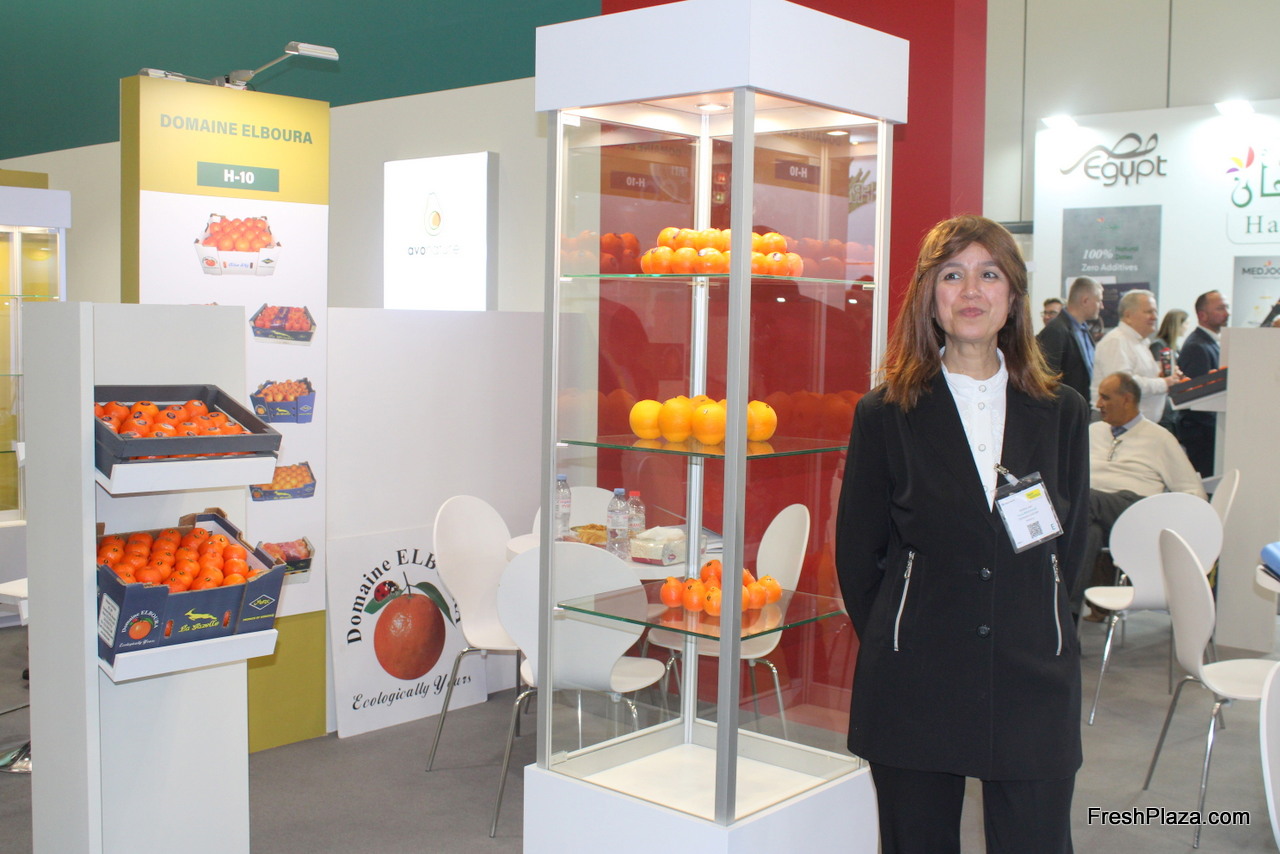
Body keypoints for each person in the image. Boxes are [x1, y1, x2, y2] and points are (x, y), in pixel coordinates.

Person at [836, 215, 1088, 853]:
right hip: (916, 677)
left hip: (1033, 675)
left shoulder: (1062, 411)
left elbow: (1074, 544)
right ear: (929, 295)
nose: (971, 291)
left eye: (989, 274)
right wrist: (901, 632)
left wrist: (1047, 624)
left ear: (1013, 296)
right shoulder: (885, 414)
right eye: (952, 275)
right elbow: (860, 556)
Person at [1074, 372, 1205, 620]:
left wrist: (1177, 523)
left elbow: (1192, 490)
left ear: (1127, 399)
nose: (1098, 404)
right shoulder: (1093, 432)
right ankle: (1070, 617)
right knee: (1090, 531)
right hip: (1095, 512)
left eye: (1105, 397)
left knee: (1085, 501)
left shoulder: (1160, 438)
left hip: (1134, 510)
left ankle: (1063, 608)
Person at [1090, 289, 1181, 425]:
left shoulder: (1140, 342)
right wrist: (1164, 383)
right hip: (1117, 425)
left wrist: (1162, 375)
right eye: (1149, 312)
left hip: (1135, 425)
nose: (1155, 317)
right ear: (1128, 315)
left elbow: (1140, 375)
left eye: (1155, 312)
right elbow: (1122, 386)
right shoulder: (1117, 341)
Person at [1176, 290, 1229, 477]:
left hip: (1207, 432)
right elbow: (1197, 398)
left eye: (1227, 307)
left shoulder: (1210, 343)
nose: (1227, 313)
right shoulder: (1197, 346)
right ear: (1202, 315)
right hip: (1202, 435)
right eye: (1220, 308)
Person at [1036, 276, 1102, 402]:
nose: (1102, 306)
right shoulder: (1055, 330)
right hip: (1066, 408)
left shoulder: (1083, 330)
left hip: (1084, 405)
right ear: (1085, 301)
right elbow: (1047, 379)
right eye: (1099, 301)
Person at [1148, 307, 1189, 433]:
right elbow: (1160, 373)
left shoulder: (1175, 347)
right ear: (1177, 325)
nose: (1187, 327)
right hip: (1162, 404)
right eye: (1185, 324)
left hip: (1172, 403)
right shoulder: (1158, 345)